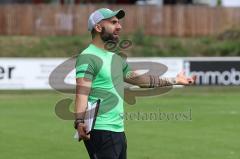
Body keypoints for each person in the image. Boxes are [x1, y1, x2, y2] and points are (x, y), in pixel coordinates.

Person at [74, 8, 196, 159]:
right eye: (113, 22)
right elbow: (82, 92)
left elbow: (141, 80)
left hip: (118, 131)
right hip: (100, 130)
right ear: (98, 27)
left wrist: (175, 80)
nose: (119, 26)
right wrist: (79, 122)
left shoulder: (115, 58)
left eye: (118, 22)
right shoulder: (88, 57)